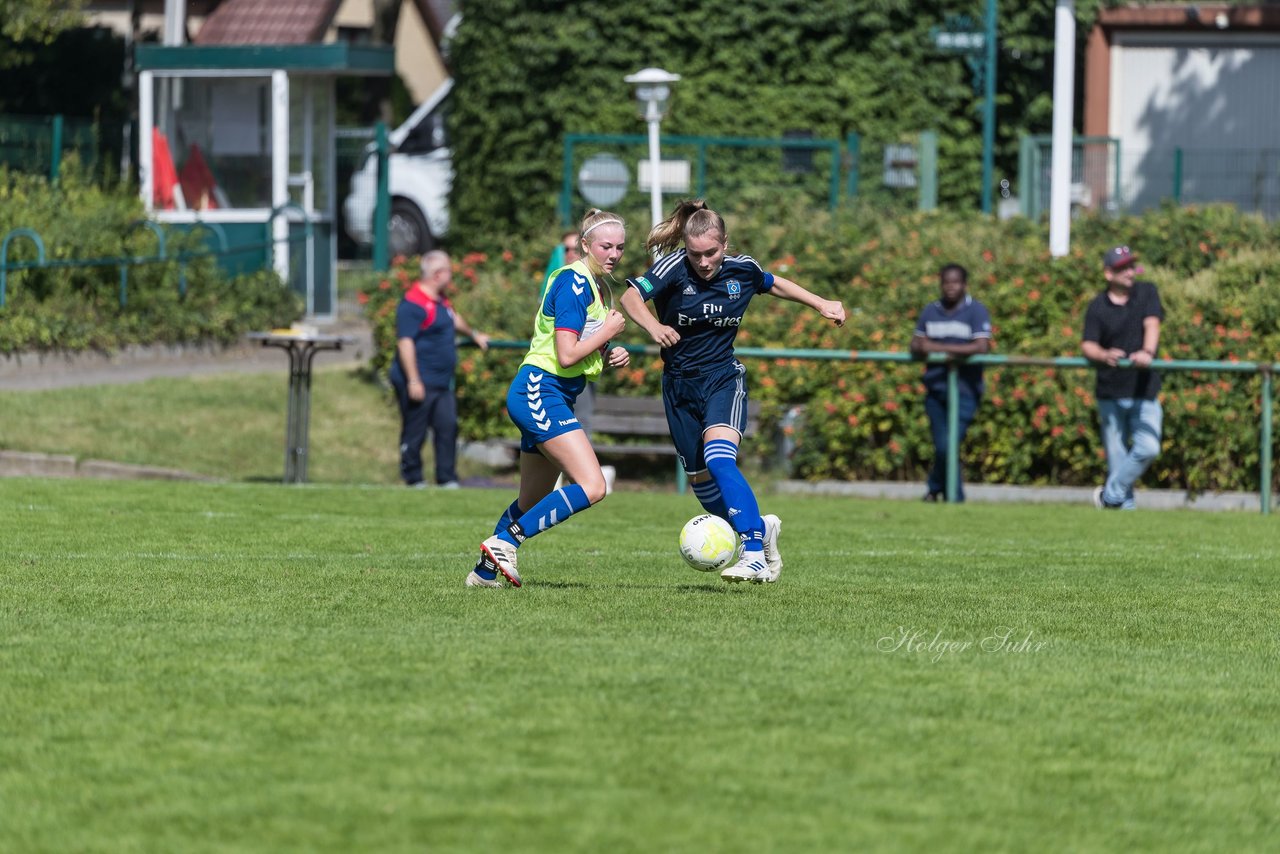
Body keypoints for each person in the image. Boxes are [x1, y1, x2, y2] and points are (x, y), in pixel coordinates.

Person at [619, 199, 846, 585]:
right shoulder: (672, 267)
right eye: (696, 254)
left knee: (720, 458)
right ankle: (761, 529)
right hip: (678, 385)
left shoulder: (744, 269)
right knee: (701, 482)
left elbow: (774, 283)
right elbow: (629, 298)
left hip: (723, 378)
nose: (703, 261)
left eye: (711, 252)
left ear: (725, 243)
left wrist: (821, 303)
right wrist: (654, 328)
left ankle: (754, 552)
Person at [467, 209, 631, 588]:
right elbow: (567, 354)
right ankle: (506, 543)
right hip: (541, 390)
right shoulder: (573, 282)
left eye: (620, 247)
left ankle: (484, 573)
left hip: (551, 392)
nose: (614, 254)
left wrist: (609, 351)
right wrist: (607, 329)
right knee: (592, 486)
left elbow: (582, 348)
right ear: (584, 245)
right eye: (606, 246)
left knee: (531, 500)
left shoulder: (595, 285)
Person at [388, 250, 490, 489]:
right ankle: (413, 479)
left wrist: (474, 334)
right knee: (415, 431)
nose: (452, 276)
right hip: (419, 380)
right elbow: (405, 343)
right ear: (437, 275)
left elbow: (453, 319)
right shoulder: (412, 303)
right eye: (448, 271)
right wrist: (414, 380)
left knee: (447, 426)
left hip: (441, 381)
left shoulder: (440, 300)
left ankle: (447, 478)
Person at [1081, 245, 1164, 510]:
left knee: (1149, 447)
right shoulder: (1097, 306)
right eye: (1122, 268)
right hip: (1110, 390)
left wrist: (1147, 351)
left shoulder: (1146, 292)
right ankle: (1121, 510)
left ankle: (1109, 495)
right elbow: (1087, 345)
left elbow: (1152, 324)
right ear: (1108, 274)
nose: (1130, 272)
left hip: (1144, 388)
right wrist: (1103, 354)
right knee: (1116, 459)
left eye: (1131, 266)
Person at [909, 264, 993, 502]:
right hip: (936, 389)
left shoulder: (976, 310)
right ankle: (947, 494)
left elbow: (980, 346)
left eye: (955, 282)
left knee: (948, 445)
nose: (950, 287)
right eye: (946, 282)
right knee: (943, 446)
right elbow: (916, 345)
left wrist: (937, 348)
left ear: (964, 284)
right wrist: (953, 351)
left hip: (965, 389)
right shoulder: (931, 310)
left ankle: (943, 492)